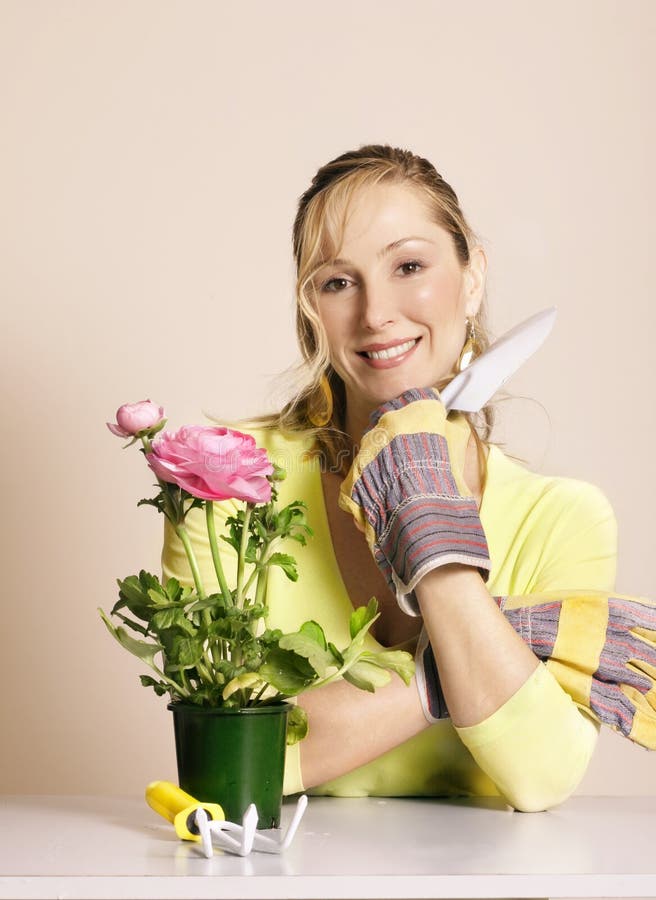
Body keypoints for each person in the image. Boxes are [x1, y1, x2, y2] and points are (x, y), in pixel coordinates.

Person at [162, 144, 621, 813]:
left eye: (409, 265)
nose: (376, 313)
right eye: (337, 281)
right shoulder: (224, 479)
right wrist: (462, 661)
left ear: (472, 278)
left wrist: (430, 528)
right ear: (309, 308)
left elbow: (542, 774)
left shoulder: (566, 519)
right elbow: (224, 763)